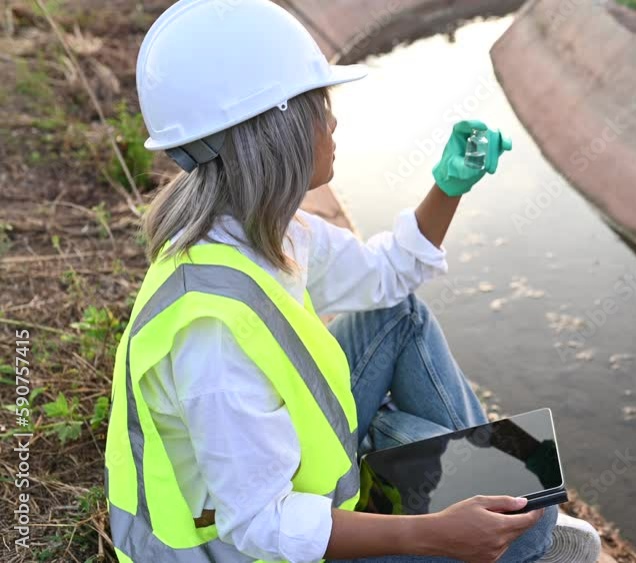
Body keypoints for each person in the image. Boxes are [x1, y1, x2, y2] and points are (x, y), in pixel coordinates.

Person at [102, 1, 603, 562]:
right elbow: (262, 526)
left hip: (275, 484)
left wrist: (449, 187)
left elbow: (387, 278)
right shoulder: (212, 338)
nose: (333, 121)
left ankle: (496, 504)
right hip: (228, 546)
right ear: (278, 128)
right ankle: (504, 528)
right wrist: (435, 533)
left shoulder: (262, 229)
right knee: (532, 526)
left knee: (400, 317)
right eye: (321, 104)